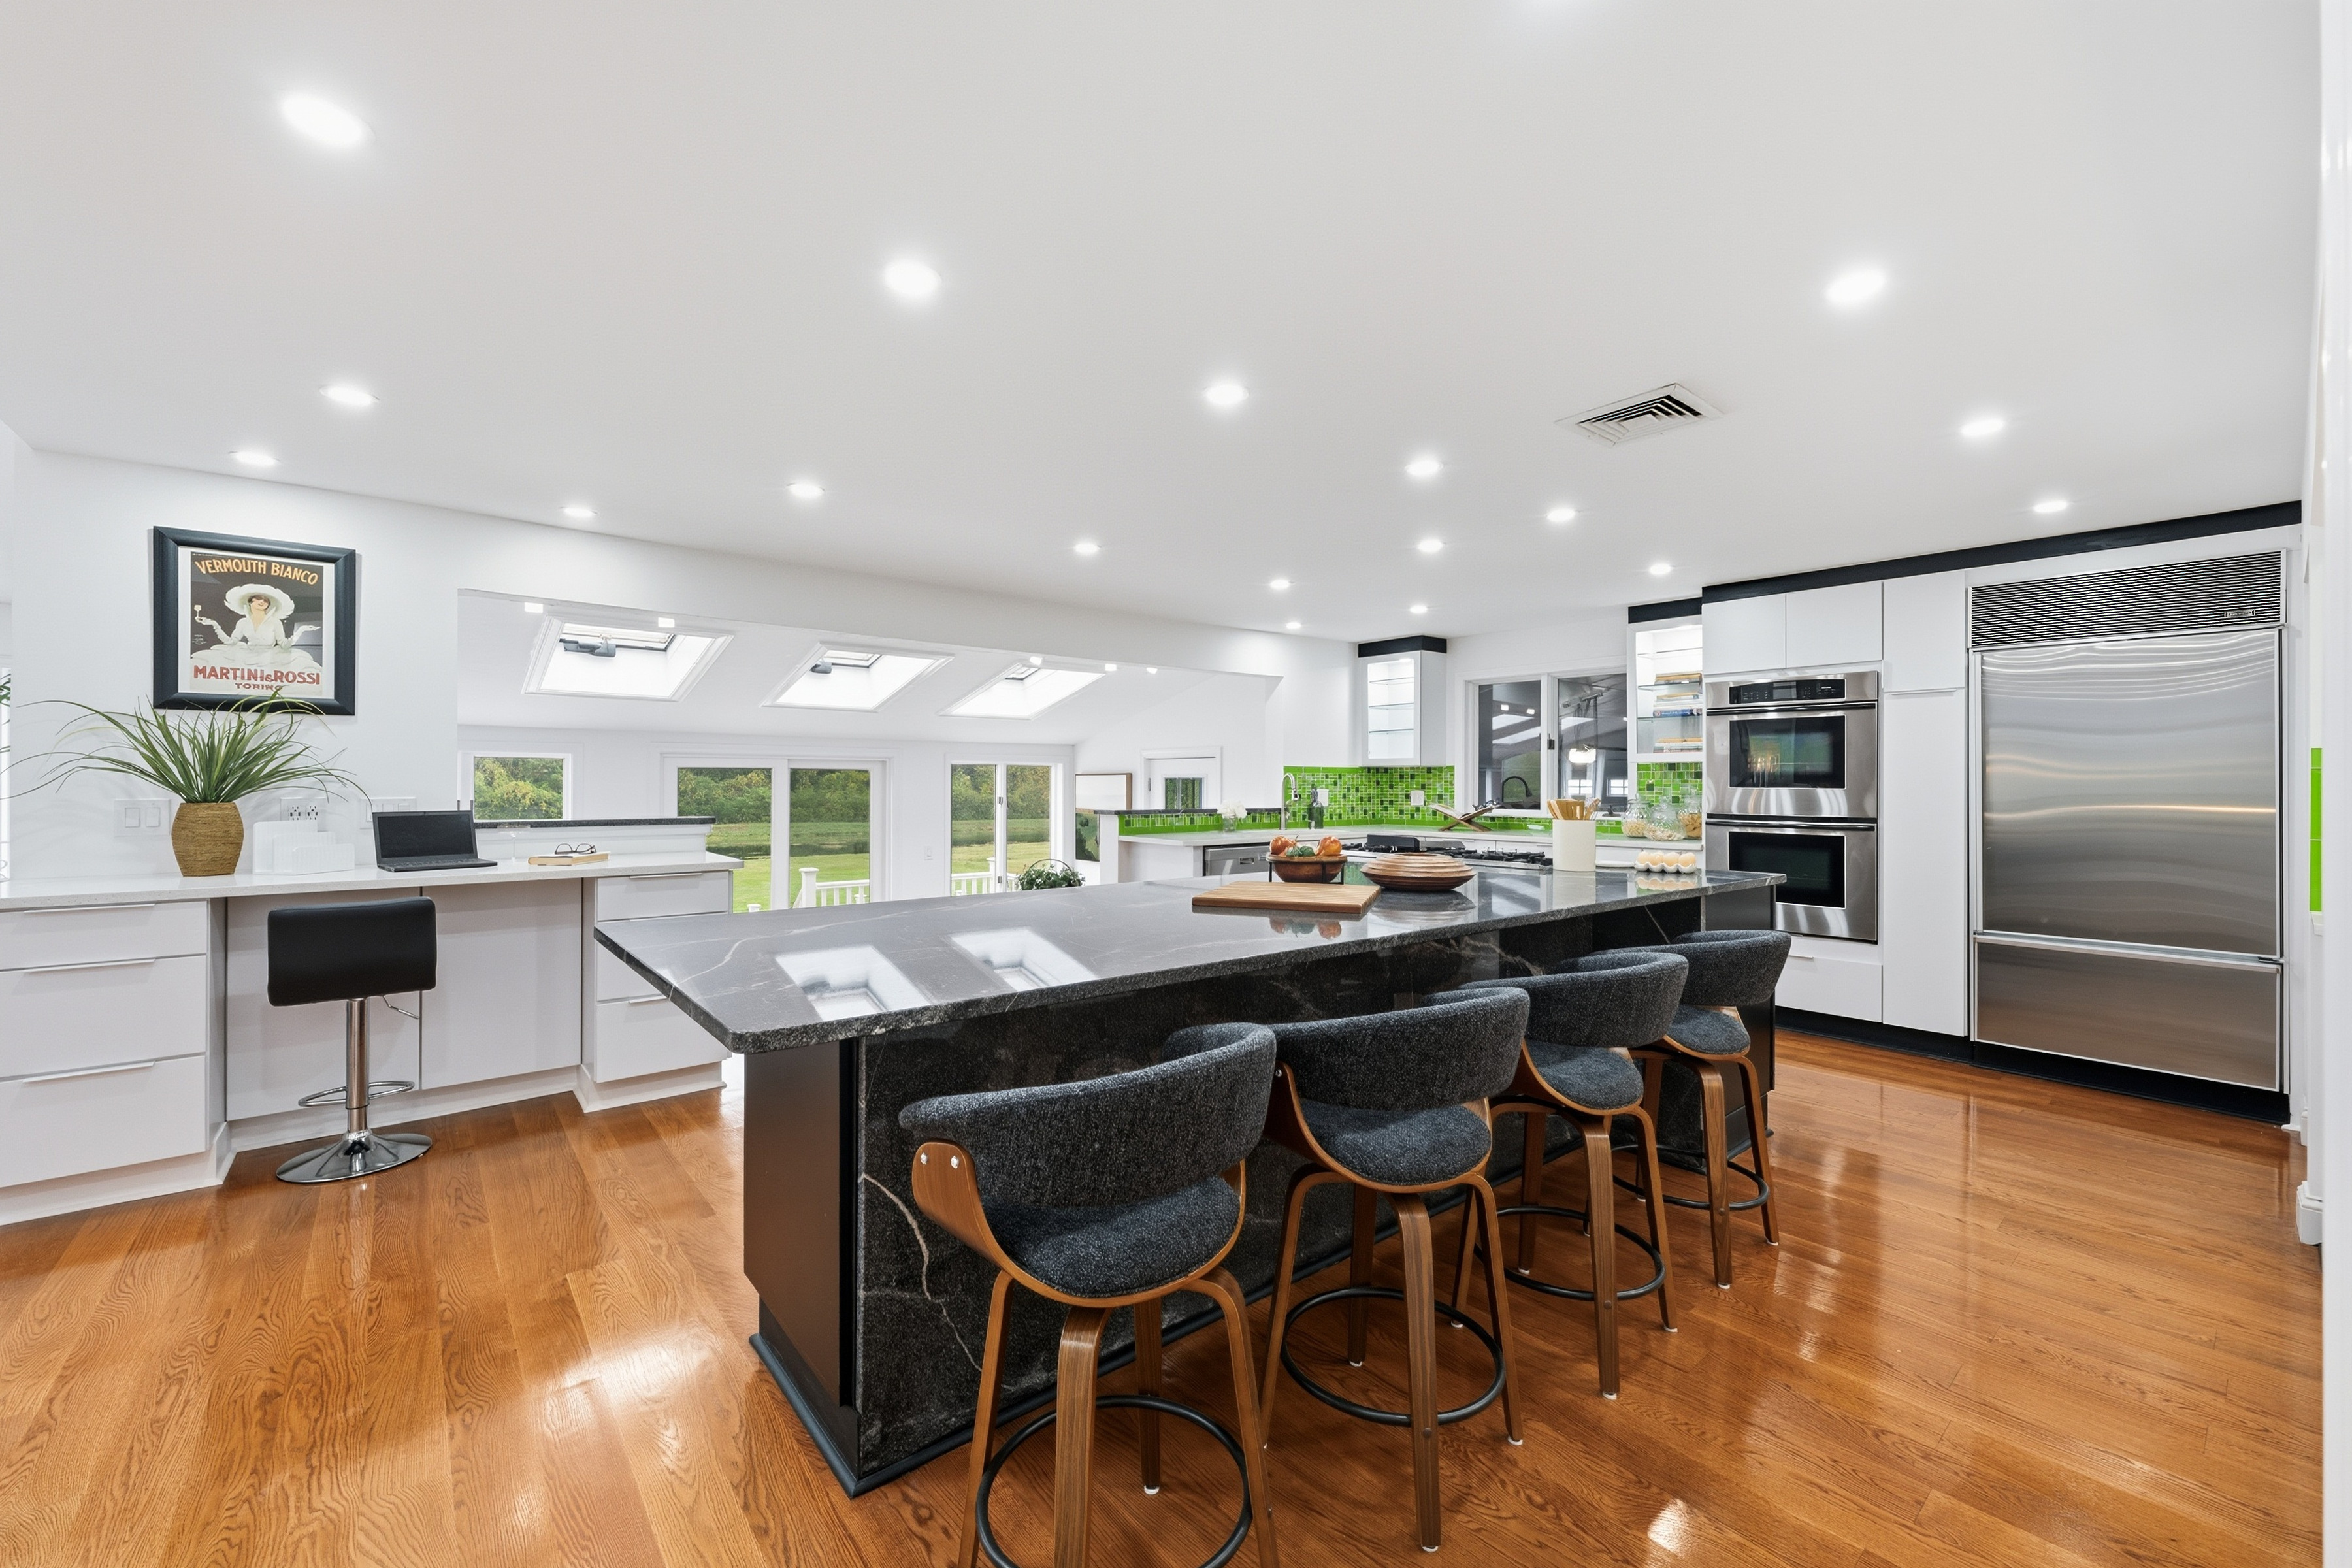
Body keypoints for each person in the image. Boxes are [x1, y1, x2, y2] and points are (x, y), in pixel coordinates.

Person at [194, 582, 319, 671]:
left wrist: (301, 631)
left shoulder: (275, 622)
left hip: (271, 659)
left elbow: (284, 645)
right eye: (259, 598)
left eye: (266, 600)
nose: (262, 602)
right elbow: (231, 642)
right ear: (250, 602)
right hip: (246, 658)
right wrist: (214, 625)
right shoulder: (243, 622)